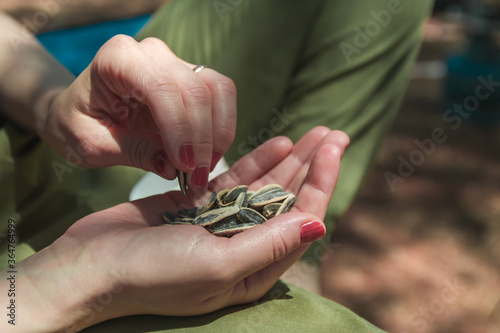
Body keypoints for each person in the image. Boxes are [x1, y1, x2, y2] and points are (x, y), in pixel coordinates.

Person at [0, 9, 383, 333]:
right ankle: (294, 268)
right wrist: (59, 284)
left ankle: (296, 266)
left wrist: (51, 107)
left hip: (43, 139)